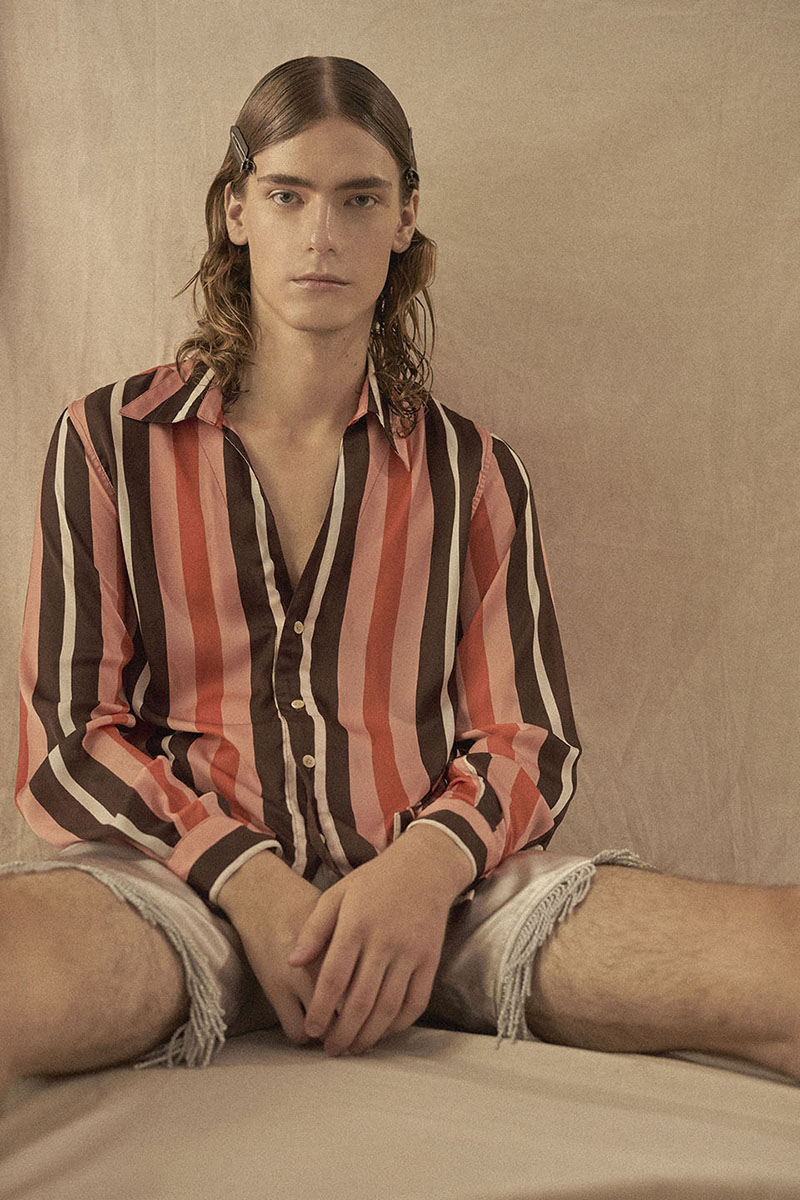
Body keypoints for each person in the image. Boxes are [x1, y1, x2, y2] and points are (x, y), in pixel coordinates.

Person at [2, 56, 798, 1103]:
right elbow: (67, 739)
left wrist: (420, 876)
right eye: (287, 195)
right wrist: (246, 880)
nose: (321, 235)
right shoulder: (109, 439)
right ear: (236, 209)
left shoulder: (474, 472)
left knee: (779, 956)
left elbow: (527, 740)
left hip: (445, 909)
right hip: (176, 895)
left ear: (404, 218)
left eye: (359, 199)